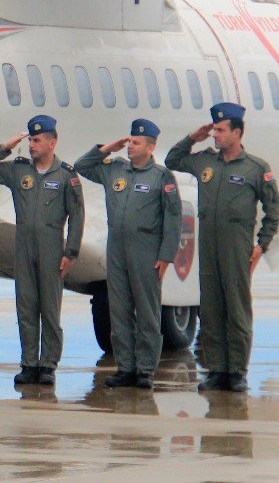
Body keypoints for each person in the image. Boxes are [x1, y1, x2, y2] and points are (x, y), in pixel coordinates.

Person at [165, 103, 279, 393]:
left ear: (237, 133)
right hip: (209, 247)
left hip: (236, 247)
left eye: (220, 130)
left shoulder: (256, 168)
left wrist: (261, 245)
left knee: (237, 310)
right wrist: (194, 137)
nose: (215, 134)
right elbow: (172, 160)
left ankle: (237, 372)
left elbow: (273, 209)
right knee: (212, 310)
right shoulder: (205, 162)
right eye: (213, 129)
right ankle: (216, 371)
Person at [0, 115, 84, 386]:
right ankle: (29, 363)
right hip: (23, 247)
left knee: (49, 308)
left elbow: (77, 215)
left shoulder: (66, 176)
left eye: (37, 140)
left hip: (51, 248)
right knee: (26, 307)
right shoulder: (18, 171)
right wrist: (6, 147)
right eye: (30, 140)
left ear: (52, 142)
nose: (31, 145)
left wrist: (70, 252)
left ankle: (48, 364)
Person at [73, 119, 181, 389]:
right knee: (119, 312)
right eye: (130, 141)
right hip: (117, 249)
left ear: (151, 146)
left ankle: (145, 370)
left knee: (147, 312)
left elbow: (173, 218)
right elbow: (82, 167)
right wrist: (106, 149)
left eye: (136, 143)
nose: (131, 146)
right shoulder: (115, 170)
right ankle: (125, 367)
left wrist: (166, 255)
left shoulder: (162, 177)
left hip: (146, 249)